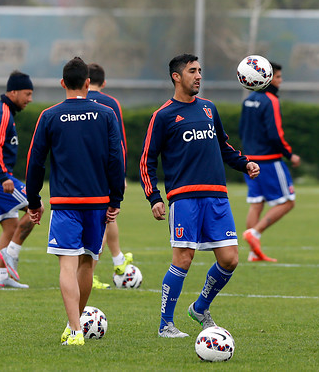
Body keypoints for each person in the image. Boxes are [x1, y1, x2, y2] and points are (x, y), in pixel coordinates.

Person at [140, 53, 260, 338]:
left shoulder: (209, 109)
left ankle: (199, 307)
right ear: (176, 77)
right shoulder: (163, 115)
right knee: (183, 258)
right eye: (192, 71)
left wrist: (245, 163)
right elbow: (147, 159)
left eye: (200, 71)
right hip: (184, 198)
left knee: (230, 259)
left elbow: (223, 147)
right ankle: (165, 324)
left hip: (217, 196)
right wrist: (154, 197)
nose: (198, 76)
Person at [25, 57, 124, 346]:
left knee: (66, 266)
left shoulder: (49, 116)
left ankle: (75, 330)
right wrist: (115, 198)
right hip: (97, 202)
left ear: (62, 84)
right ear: (87, 84)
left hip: (65, 203)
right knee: (88, 265)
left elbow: (35, 162)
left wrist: (33, 202)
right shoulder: (106, 114)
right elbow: (116, 159)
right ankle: (75, 325)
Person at [0, 71, 36, 289]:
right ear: (13, 92)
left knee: (10, 228)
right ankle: (12, 254)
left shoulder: (2, 111)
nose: (29, 99)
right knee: (36, 207)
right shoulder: (2, 113)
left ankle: (1, 277)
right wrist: (3, 176)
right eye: (27, 94)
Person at [239, 61, 301, 262]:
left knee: (257, 203)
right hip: (268, 160)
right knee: (288, 202)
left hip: (249, 160)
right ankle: (254, 232)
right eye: (278, 77)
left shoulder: (248, 100)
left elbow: (242, 130)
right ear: (266, 77)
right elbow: (275, 134)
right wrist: (289, 154)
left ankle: (252, 253)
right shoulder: (270, 100)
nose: (280, 81)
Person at [86, 63, 134, 289]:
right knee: (102, 220)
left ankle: (118, 260)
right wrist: (120, 174)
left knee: (106, 217)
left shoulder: (77, 102)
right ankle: (90, 274)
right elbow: (120, 143)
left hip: (80, 172)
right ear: (103, 83)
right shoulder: (111, 103)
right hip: (105, 172)